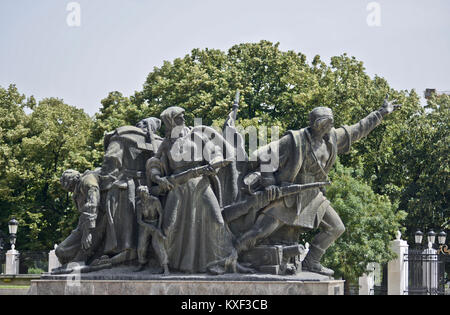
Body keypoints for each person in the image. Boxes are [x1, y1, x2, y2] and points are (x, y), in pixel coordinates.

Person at [234, 97, 401, 276]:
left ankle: (311, 261)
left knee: (336, 227)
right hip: (289, 195)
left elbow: (358, 129)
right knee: (260, 231)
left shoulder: (333, 139)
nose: (326, 125)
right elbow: (266, 155)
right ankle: (230, 257)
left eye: (329, 121)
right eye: (322, 122)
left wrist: (381, 113)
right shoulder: (294, 140)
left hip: (313, 195)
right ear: (313, 123)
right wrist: (269, 183)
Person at [149, 106, 252, 274]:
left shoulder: (196, 136)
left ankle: (224, 262)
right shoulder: (166, 144)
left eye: (183, 117)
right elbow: (154, 163)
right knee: (169, 227)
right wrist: (157, 178)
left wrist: (215, 162)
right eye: (179, 118)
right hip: (178, 188)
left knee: (217, 221)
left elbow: (215, 152)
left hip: (200, 183)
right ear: (171, 121)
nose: (183, 120)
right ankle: (166, 264)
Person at [55, 168, 105, 268]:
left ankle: (81, 262)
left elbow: (93, 204)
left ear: (75, 179)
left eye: (70, 186)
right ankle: (77, 263)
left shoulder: (87, 181)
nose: (70, 190)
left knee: (64, 251)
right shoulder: (79, 187)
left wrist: (88, 231)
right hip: (84, 223)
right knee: (60, 251)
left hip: (96, 221)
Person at [135, 185, 169, 274]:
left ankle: (165, 267)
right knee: (141, 246)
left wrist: (158, 227)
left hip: (155, 223)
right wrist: (150, 227)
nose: (145, 195)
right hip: (144, 225)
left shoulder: (155, 201)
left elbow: (161, 214)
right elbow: (139, 220)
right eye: (143, 194)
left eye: (146, 193)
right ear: (140, 195)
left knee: (158, 245)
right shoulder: (139, 204)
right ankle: (141, 263)